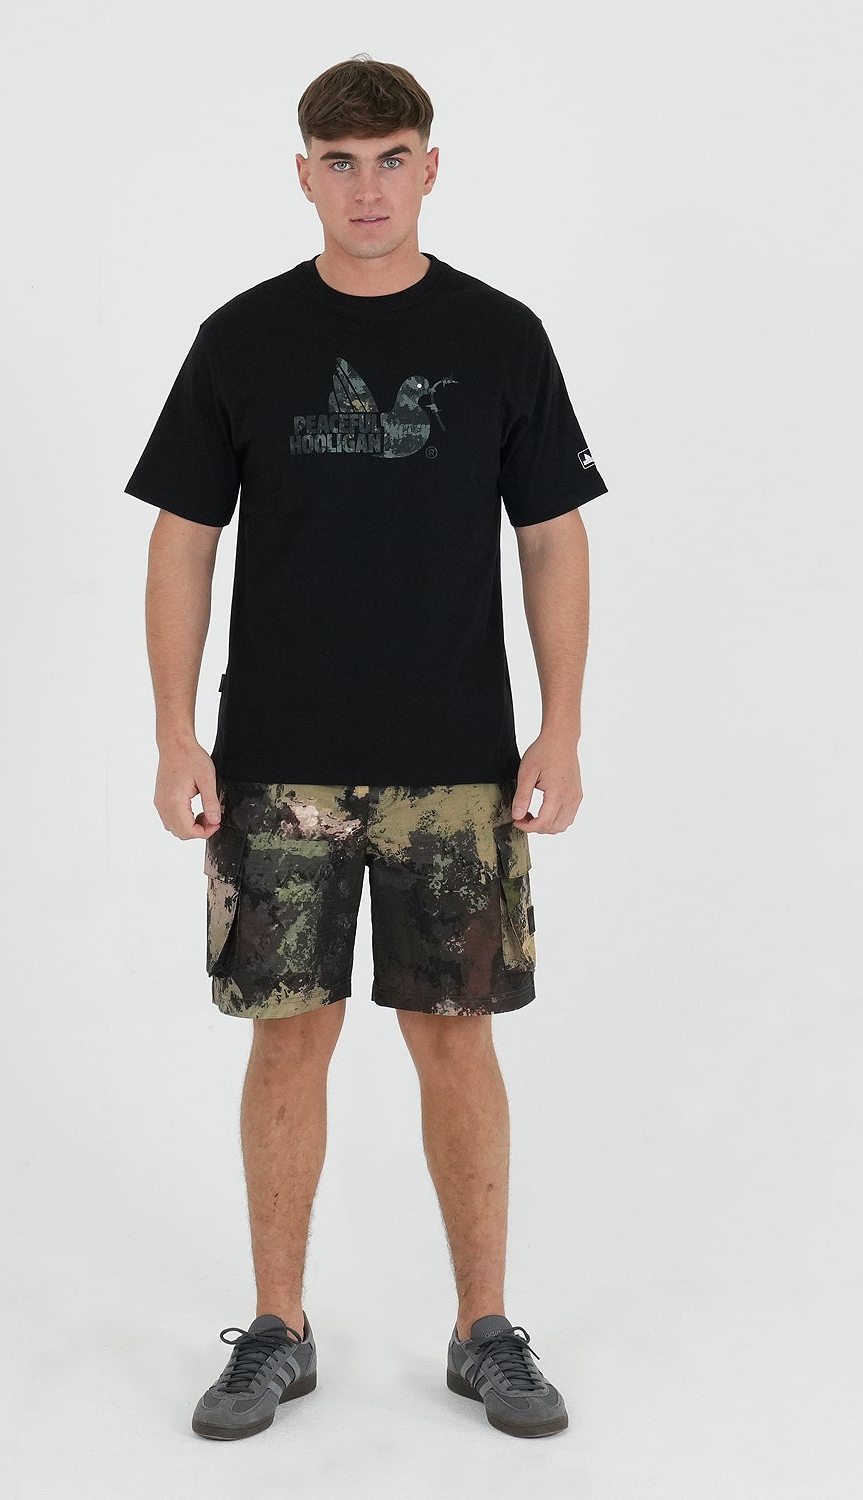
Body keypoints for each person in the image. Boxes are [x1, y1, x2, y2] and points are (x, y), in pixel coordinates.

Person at [125, 55, 605, 1441]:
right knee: (289, 1040)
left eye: (392, 158)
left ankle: (484, 1330)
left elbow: (554, 538)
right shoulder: (243, 339)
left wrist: (561, 727)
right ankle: (276, 1330)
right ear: (304, 176)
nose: (369, 188)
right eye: (341, 163)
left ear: (431, 168)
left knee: (456, 1042)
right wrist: (174, 732)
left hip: (457, 761)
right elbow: (181, 540)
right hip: (277, 760)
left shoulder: (501, 337)